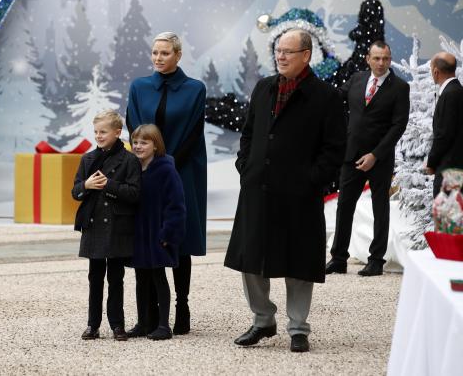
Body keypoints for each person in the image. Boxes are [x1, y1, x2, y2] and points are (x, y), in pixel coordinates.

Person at [224, 29, 346, 353]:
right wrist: (245, 167)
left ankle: (298, 328)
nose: (280, 56)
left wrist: (312, 180)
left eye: (288, 51)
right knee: (250, 260)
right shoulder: (264, 88)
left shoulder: (327, 97)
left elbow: (334, 150)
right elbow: (248, 134)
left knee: (298, 262)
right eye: (278, 50)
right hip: (257, 190)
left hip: (299, 195)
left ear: (306, 55)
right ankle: (263, 320)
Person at [126, 32, 206, 335]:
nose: (159, 58)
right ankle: (149, 315)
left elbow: (193, 132)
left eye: (165, 53)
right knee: (147, 236)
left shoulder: (194, 89)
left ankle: (181, 307)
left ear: (178, 55)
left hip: (182, 169)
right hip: (145, 170)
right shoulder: (139, 87)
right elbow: (134, 124)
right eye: (155, 53)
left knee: (178, 237)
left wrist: (168, 164)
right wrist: (145, 160)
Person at [326, 41, 410, 277]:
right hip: (351, 155)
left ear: (390, 59)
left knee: (380, 208)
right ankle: (338, 258)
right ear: (368, 58)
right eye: (377, 58)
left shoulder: (400, 88)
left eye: (385, 58)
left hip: (380, 158)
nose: (381, 63)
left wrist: (375, 155)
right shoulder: (357, 79)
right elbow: (335, 100)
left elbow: (398, 126)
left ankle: (376, 260)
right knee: (344, 207)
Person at [71, 110, 141, 341]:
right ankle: (93, 325)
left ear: (117, 132)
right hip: (93, 226)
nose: (98, 136)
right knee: (95, 278)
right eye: (96, 132)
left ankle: (117, 325)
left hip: (117, 227)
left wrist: (109, 185)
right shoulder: (88, 159)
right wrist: (87, 185)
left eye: (103, 132)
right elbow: (76, 192)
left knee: (116, 279)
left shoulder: (129, 160)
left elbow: (134, 194)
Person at [128, 124, 186, 340]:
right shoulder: (133, 168)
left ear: (155, 145)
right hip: (138, 234)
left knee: (158, 277)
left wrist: (168, 234)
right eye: (135, 142)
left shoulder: (166, 170)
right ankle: (143, 322)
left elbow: (176, 205)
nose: (138, 146)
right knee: (140, 278)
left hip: (158, 234)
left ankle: (164, 325)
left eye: (144, 142)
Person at [425, 52, 463, 197]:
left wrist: (431, 163)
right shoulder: (459, 91)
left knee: (447, 219)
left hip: (449, 173)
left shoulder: (448, 95)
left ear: (436, 71)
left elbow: (443, 135)